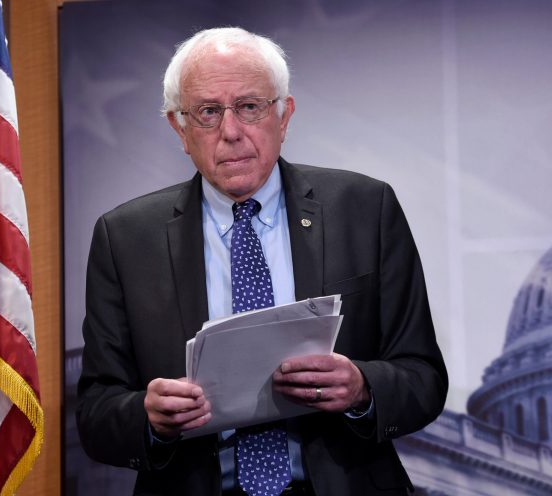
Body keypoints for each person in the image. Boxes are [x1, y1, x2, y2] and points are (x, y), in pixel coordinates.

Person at [76, 27, 447, 496]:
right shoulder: (124, 238)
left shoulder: (365, 208)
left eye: (250, 106)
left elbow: (424, 377)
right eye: (208, 112)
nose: (231, 132)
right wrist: (148, 418)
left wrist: (361, 388)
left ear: (283, 115)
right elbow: (95, 412)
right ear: (179, 127)